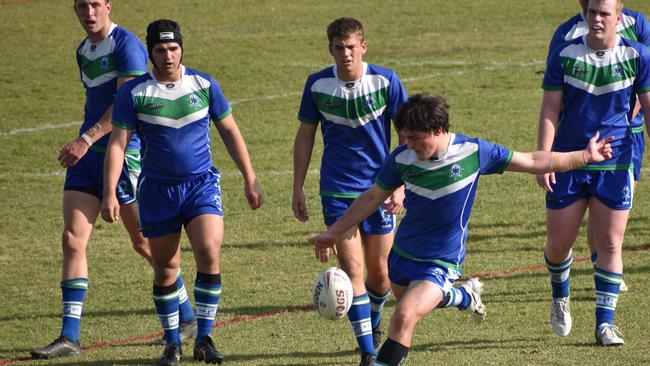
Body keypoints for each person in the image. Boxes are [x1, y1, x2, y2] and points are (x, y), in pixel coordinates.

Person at [311, 94, 613, 366]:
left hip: (442, 260)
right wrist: (335, 231)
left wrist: (584, 156)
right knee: (414, 305)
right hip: (402, 256)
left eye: (415, 138)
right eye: (404, 137)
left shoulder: (473, 152)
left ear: (439, 130)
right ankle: (465, 296)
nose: (409, 145)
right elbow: (372, 197)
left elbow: (533, 160)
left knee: (403, 317)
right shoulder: (401, 158)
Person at [30, 0, 196, 360]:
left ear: (108, 5)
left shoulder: (127, 46)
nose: (89, 13)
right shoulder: (84, 50)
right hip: (86, 157)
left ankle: (186, 314)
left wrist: (87, 138)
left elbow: (126, 104)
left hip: (122, 157)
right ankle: (69, 336)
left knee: (143, 242)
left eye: (95, 4)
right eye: (81, 6)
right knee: (72, 238)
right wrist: (86, 143)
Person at [102, 19, 263, 366]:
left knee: (208, 250)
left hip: (201, 184)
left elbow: (230, 131)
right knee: (165, 268)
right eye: (160, 50)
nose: (168, 56)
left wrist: (249, 177)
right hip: (158, 191)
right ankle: (172, 343)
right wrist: (109, 193)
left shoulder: (204, 85)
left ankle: (204, 337)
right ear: (151, 53)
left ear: (182, 49)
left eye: (173, 48)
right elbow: (117, 146)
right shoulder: (134, 94)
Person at [292, 17, 408, 365]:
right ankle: (368, 354)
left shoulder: (386, 80)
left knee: (381, 274)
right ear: (330, 49)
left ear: (363, 47)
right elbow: (305, 135)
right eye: (339, 47)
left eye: (351, 47)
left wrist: (400, 185)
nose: (346, 53)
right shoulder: (317, 85)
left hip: (381, 187)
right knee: (353, 271)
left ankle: (369, 322)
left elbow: (406, 134)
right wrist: (297, 186)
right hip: (338, 191)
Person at [539, 0, 650, 346]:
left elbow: (647, 108)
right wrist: (545, 158)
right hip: (568, 160)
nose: (598, 19)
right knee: (559, 246)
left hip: (615, 163)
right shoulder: (564, 53)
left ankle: (605, 324)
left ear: (619, 17)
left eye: (605, 13)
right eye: (593, 13)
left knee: (610, 243)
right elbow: (550, 108)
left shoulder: (638, 56)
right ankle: (561, 295)